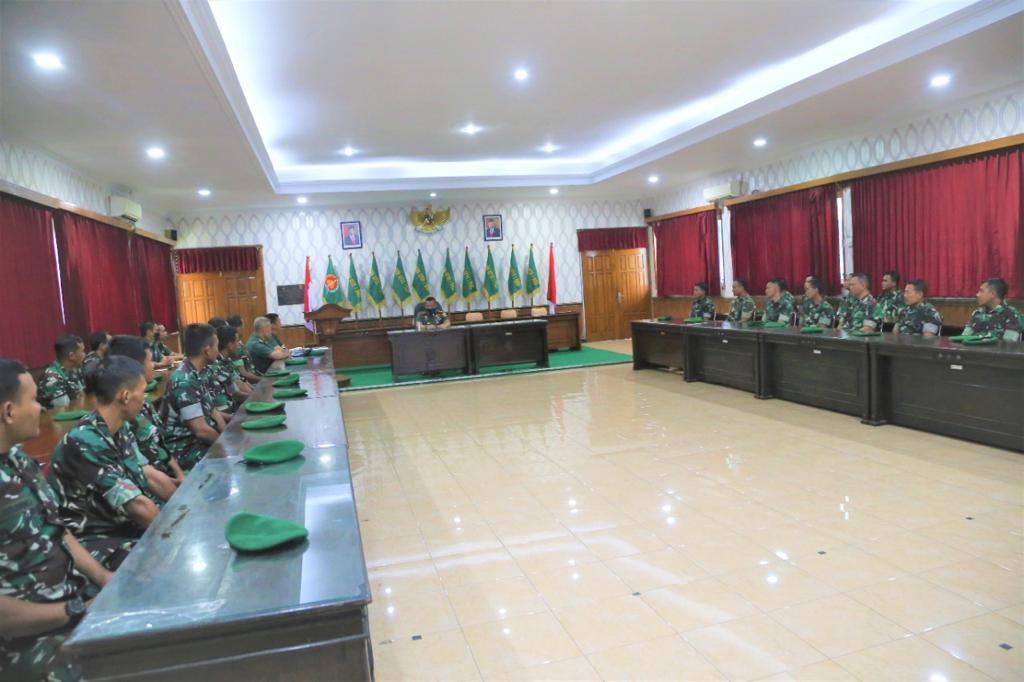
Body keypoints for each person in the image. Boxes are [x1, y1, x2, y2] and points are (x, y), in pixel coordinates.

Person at [0, 357, 112, 681]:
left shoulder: (19, 460)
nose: (40, 408)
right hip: (26, 640)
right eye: (34, 400)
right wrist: (74, 611)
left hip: (67, 599)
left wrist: (105, 579)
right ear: (9, 412)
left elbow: (58, 530)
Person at [47, 356, 161, 571]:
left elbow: (145, 475)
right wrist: (175, 533)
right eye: (142, 392)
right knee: (160, 559)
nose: (145, 398)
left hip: (118, 524)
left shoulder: (120, 427)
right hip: (91, 538)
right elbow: (136, 506)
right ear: (125, 396)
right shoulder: (84, 440)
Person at [107, 335, 185, 497]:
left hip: (166, 477)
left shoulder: (143, 402)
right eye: (150, 361)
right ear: (135, 366)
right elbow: (143, 475)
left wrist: (180, 475)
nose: (154, 365)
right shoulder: (122, 415)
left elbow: (161, 446)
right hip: (149, 491)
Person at [163, 324, 226, 471]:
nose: (218, 350)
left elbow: (213, 412)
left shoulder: (198, 372)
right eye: (216, 346)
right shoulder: (184, 381)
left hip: (202, 442)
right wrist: (226, 447)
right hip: (187, 451)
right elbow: (201, 430)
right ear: (207, 350)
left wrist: (227, 437)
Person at [962, 277, 1023, 342]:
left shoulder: (1012, 314)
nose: (977, 295)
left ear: (992, 294)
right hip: (975, 348)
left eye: (981, 291)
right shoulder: (978, 313)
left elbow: (1008, 344)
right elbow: (965, 338)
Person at [209, 325, 252, 411]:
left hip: (233, 406)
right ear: (230, 345)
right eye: (237, 341)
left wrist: (255, 393)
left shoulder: (227, 360)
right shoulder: (216, 365)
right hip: (227, 410)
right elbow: (235, 394)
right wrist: (255, 397)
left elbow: (238, 383)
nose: (239, 344)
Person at [41, 335, 86, 408]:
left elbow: (82, 397)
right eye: (82, 351)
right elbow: (63, 410)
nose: (84, 354)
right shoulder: (53, 377)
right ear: (71, 356)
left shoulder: (73, 370)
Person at [228, 315, 262, 384]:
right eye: (242, 326)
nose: (243, 329)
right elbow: (243, 373)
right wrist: (263, 379)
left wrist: (283, 349)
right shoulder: (255, 342)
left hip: (255, 376)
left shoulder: (273, 337)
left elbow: (282, 346)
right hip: (251, 381)